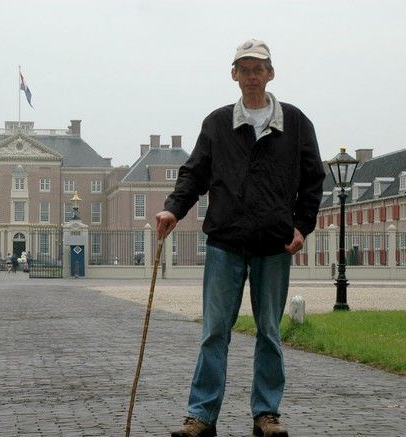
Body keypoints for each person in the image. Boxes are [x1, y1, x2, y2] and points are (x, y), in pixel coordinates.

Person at [156, 39, 325, 437]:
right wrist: (173, 209)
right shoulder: (216, 123)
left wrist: (302, 226)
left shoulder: (296, 123)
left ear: (271, 73)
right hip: (225, 242)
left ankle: (266, 414)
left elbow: (314, 179)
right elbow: (194, 173)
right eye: (244, 69)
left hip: (274, 243)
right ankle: (201, 415)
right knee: (215, 331)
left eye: (258, 68)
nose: (251, 76)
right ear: (234, 74)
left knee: (269, 330)